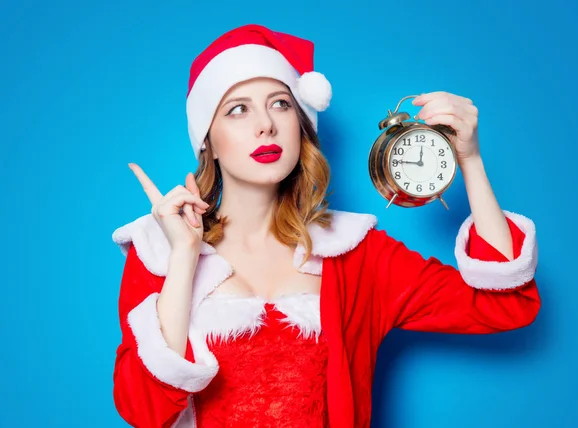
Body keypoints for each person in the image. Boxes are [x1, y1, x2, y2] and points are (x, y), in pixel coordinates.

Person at [111, 24, 540, 428]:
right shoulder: (160, 252)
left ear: (301, 126)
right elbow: (142, 411)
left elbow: (505, 303)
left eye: (281, 104)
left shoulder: (355, 254)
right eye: (238, 109)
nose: (266, 124)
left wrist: (469, 160)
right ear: (208, 141)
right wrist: (185, 257)